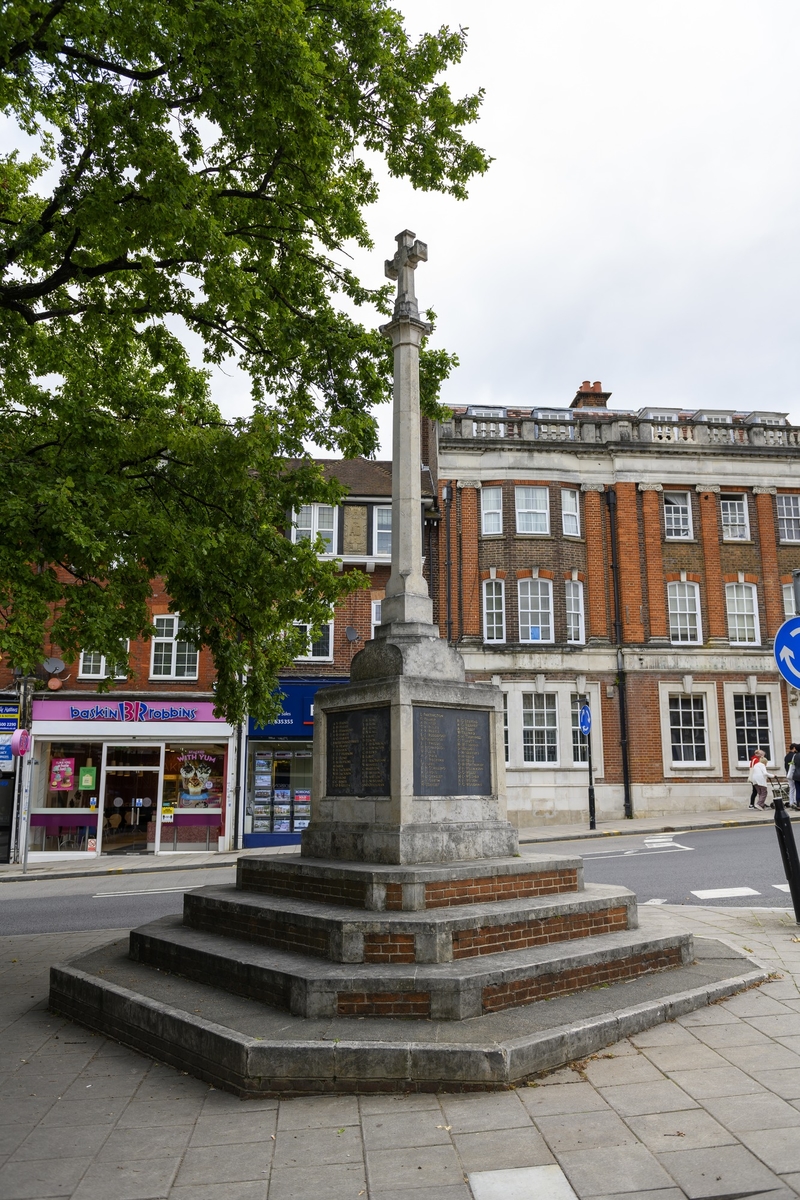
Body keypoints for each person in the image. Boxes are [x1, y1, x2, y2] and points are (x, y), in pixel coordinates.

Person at [786, 743, 799, 810]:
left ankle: (792, 802)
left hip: (790, 774)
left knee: (792, 789)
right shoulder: (794, 756)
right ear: (794, 748)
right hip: (794, 774)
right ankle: (794, 801)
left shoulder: (787, 756)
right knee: (796, 788)